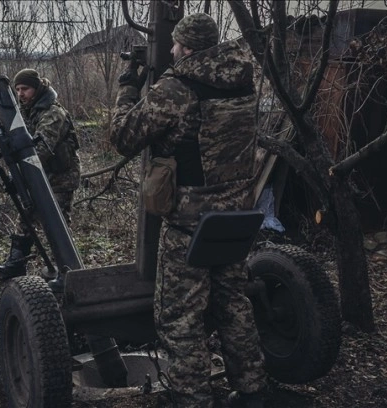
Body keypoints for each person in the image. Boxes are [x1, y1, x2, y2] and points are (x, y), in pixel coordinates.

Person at [109, 13, 267, 408]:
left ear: (190, 47)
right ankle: (252, 389)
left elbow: (123, 136)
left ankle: (192, 398)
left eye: (178, 45)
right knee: (232, 302)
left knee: (179, 317)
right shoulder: (245, 80)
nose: (173, 50)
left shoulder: (176, 88)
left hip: (190, 222)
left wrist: (129, 87)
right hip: (236, 213)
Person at [0, 68, 81, 280]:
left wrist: (21, 171)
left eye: (26, 89)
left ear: (37, 88)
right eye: (18, 89)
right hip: (37, 175)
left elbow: (40, 149)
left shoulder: (53, 113)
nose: (21, 93)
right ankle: (16, 264)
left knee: (57, 224)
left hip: (60, 177)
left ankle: (67, 271)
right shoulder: (26, 111)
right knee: (26, 220)